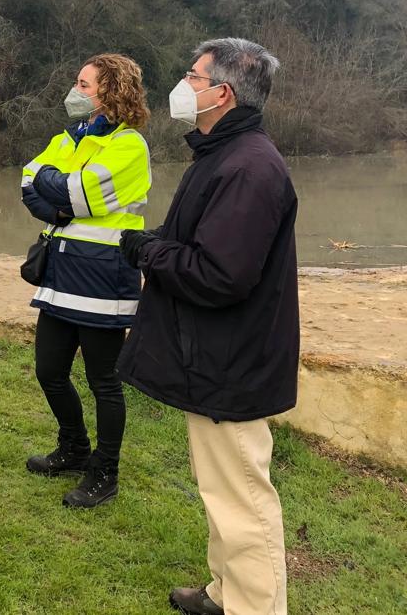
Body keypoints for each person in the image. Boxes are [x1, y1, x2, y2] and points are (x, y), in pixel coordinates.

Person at [116, 38, 298, 615]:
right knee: (221, 490)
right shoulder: (223, 154)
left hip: (232, 363)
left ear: (222, 92)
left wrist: (148, 253)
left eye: (193, 77)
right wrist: (159, 248)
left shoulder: (248, 167)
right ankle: (227, 592)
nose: (183, 86)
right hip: (214, 357)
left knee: (242, 498)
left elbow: (220, 274)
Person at [19, 53, 152, 508]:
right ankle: (74, 447)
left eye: (84, 83)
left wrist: (61, 191)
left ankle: (104, 472)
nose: (75, 90)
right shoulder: (67, 138)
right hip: (59, 275)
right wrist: (60, 197)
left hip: (103, 278)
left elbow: (82, 192)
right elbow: (28, 181)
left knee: (103, 382)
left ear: (110, 91)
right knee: (49, 371)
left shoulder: (129, 145)